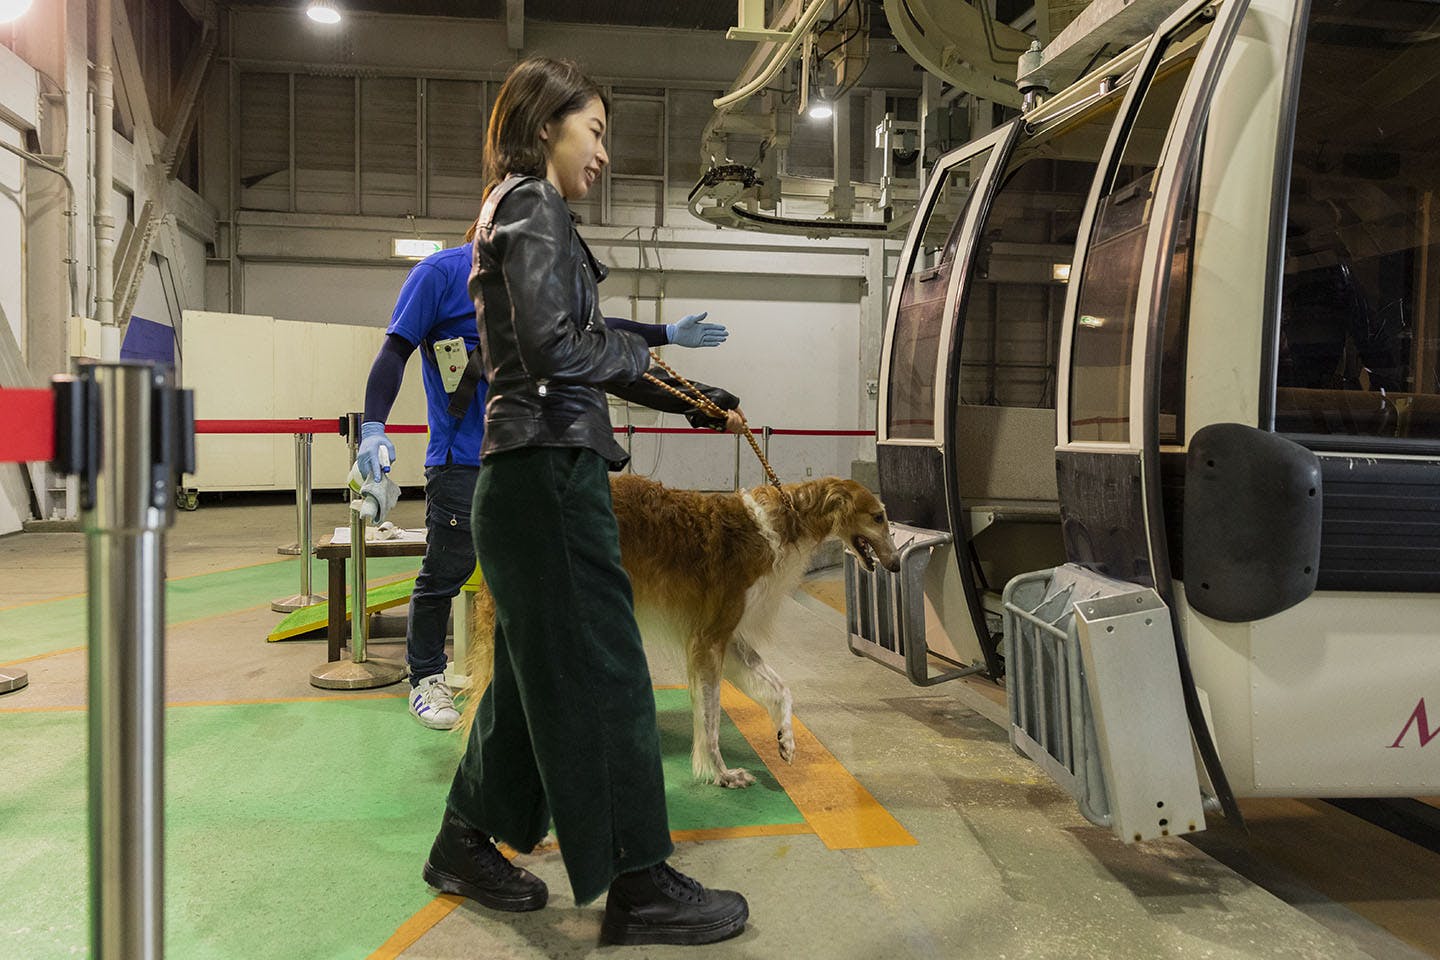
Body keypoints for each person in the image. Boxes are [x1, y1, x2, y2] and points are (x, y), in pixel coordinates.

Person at [418, 56, 750, 946]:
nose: (604, 153)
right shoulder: (534, 206)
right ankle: (639, 882)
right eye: (594, 131)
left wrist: (692, 399)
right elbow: (559, 347)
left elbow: (574, 348)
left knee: (534, 685)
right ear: (543, 128)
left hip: (528, 478)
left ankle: (461, 842)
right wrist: (647, 367)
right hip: (548, 481)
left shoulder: (518, 212)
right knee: (607, 675)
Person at [358, 243, 728, 731]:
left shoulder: (536, 281)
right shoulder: (441, 275)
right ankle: (426, 676)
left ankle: (533, 682)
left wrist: (669, 337)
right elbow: (396, 348)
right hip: (463, 460)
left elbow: (597, 333)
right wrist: (373, 426)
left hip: (531, 460)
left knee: (543, 577)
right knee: (447, 570)